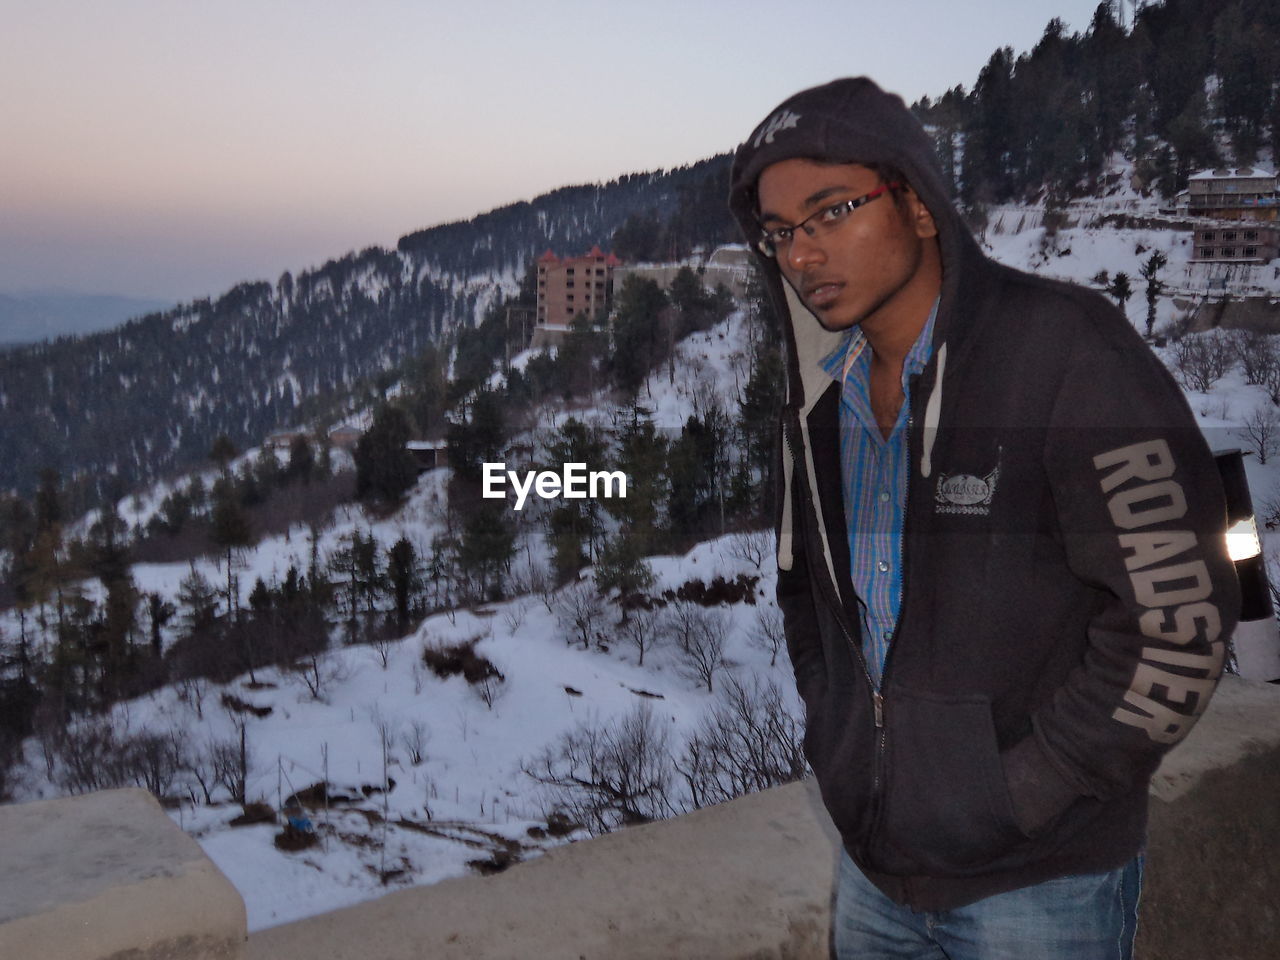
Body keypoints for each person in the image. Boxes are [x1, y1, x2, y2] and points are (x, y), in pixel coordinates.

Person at [728, 77, 1240, 959]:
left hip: (1041, 886)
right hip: (874, 871)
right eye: (779, 233)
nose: (801, 254)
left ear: (919, 205)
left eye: (830, 211)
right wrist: (838, 742)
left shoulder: (1064, 354)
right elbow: (805, 604)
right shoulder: (819, 408)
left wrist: (1025, 791)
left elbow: (1179, 618)